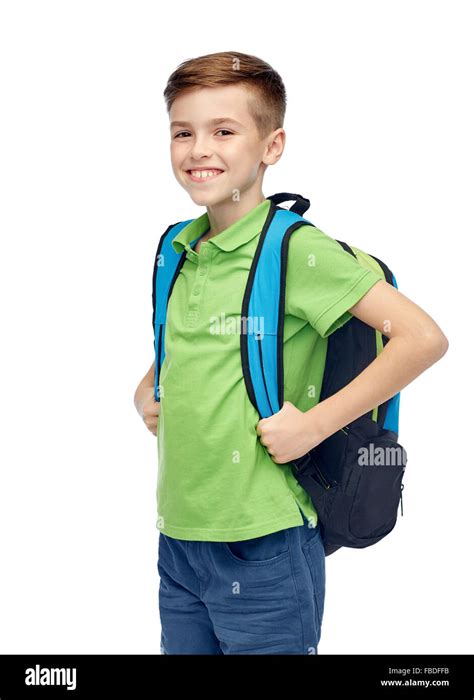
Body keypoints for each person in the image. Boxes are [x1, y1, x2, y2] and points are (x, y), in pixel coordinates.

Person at [133, 50, 449, 655]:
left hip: (266, 544)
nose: (200, 148)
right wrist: (149, 385)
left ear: (272, 146)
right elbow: (193, 336)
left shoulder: (297, 253)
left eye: (224, 131)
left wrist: (314, 426)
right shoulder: (179, 246)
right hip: (179, 538)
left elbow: (422, 338)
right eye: (183, 132)